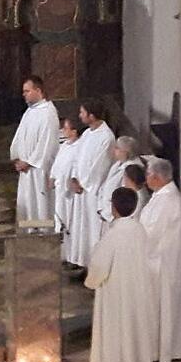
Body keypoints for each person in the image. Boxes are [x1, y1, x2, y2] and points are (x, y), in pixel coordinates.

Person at [85, 187, 155, 362]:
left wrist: (91, 280)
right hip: (137, 293)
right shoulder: (139, 230)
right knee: (134, 333)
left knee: (116, 334)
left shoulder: (113, 235)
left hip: (115, 295)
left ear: (113, 208)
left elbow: (98, 267)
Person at [139, 158, 181, 362]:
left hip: (162, 264)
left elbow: (151, 233)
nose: (146, 179)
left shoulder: (167, 199)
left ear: (156, 177)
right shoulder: (163, 195)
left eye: (147, 175)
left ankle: (165, 351)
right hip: (158, 262)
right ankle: (159, 350)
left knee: (164, 308)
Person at [67, 99, 115, 268]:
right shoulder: (87, 133)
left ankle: (94, 265)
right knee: (81, 229)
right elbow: (77, 157)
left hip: (92, 190)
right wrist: (74, 177)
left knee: (92, 229)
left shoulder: (107, 137)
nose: (80, 116)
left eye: (82, 113)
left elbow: (100, 165)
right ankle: (81, 262)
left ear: (92, 116)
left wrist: (83, 183)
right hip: (81, 189)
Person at [10, 75, 60, 226]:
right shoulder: (30, 112)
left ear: (38, 90)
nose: (24, 94)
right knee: (27, 203)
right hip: (25, 169)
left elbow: (47, 142)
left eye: (27, 91)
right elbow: (19, 137)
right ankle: (29, 232)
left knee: (39, 204)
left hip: (38, 170)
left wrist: (30, 162)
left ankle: (42, 233)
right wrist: (17, 158)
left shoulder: (48, 113)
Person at [49, 118, 81, 261]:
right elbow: (57, 163)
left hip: (70, 193)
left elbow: (76, 167)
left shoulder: (80, 147)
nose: (63, 131)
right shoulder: (65, 145)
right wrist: (52, 177)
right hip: (60, 190)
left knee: (69, 223)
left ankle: (70, 255)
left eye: (66, 128)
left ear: (74, 131)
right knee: (59, 220)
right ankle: (62, 254)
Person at [97, 136, 144, 233]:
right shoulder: (117, 164)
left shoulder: (132, 169)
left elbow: (124, 196)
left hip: (116, 217)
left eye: (117, 148)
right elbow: (105, 187)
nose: (114, 150)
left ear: (125, 152)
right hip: (106, 213)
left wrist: (110, 214)